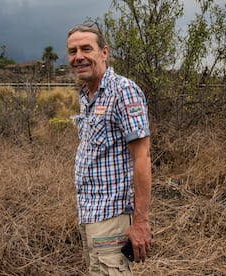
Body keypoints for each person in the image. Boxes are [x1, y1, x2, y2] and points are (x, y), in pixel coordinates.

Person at [67, 21, 153, 275]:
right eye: (73, 51)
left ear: (104, 53)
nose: (79, 57)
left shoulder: (123, 92)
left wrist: (140, 222)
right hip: (90, 213)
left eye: (86, 49)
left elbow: (142, 157)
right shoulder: (88, 94)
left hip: (112, 216)